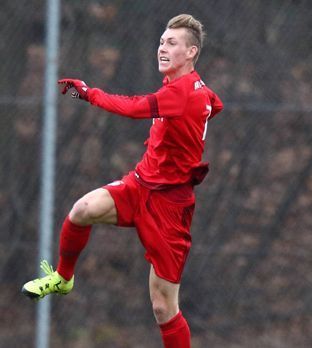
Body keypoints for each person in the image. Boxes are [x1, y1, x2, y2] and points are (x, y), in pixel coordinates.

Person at [21, 14, 223, 348]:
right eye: (161, 41)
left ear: (191, 53)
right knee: (82, 210)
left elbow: (133, 108)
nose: (162, 48)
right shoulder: (192, 90)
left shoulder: (183, 93)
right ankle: (62, 278)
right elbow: (215, 104)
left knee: (163, 307)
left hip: (170, 206)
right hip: (139, 185)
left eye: (171, 43)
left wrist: (88, 93)